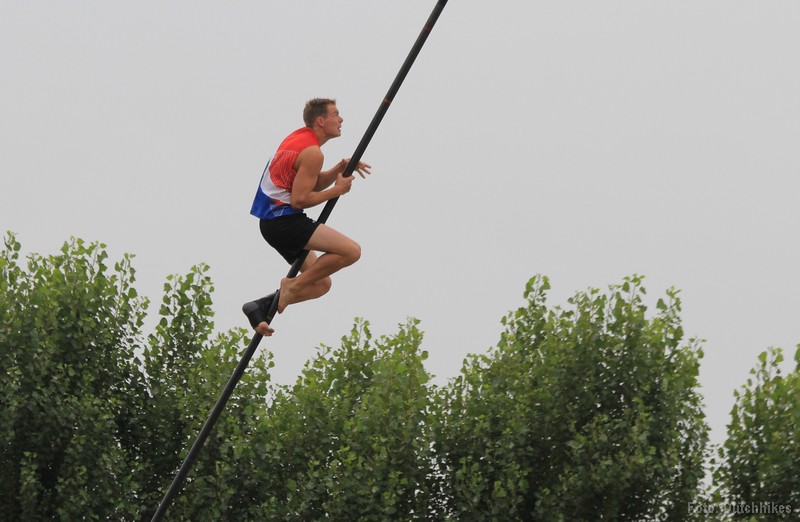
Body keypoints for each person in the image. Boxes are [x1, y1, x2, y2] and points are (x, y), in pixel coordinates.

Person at [243, 98, 371, 336]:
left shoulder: (298, 139)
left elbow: (309, 183)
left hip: (272, 224)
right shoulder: (313, 152)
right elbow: (299, 200)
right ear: (320, 121)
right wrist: (337, 190)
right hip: (284, 222)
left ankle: (258, 308)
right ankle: (291, 287)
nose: (341, 119)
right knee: (351, 251)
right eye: (336, 114)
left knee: (321, 284)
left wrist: (339, 169)